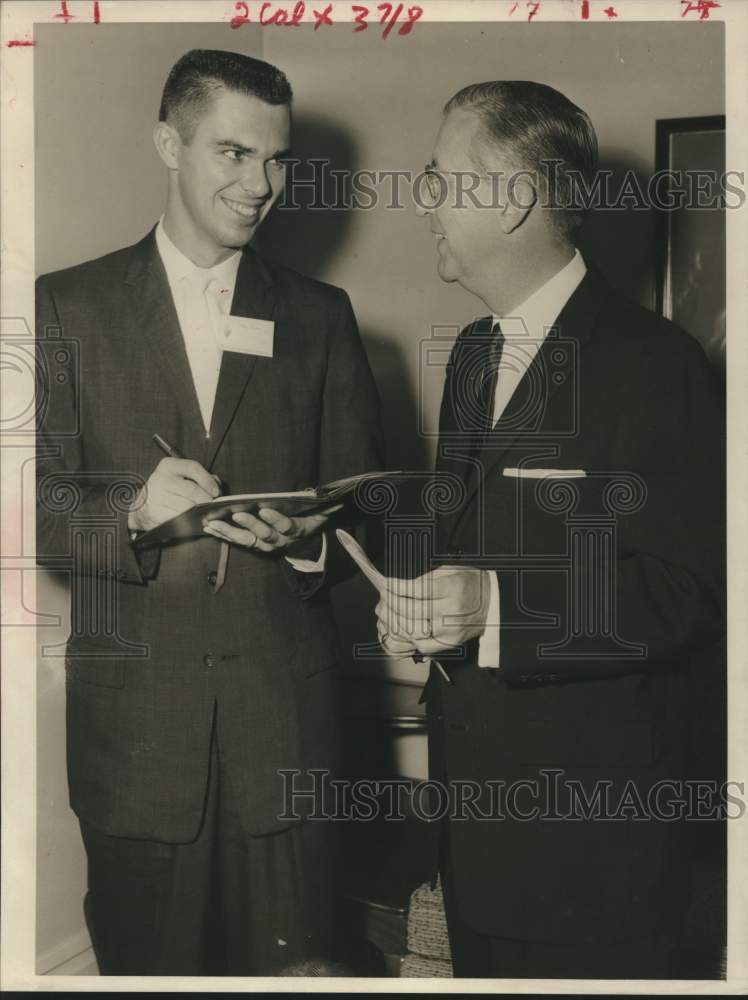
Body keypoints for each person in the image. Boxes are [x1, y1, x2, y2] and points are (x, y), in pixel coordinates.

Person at [36, 49, 382, 976]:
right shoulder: (66, 307)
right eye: (233, 154)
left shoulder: (322, 316)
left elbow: (369, 511)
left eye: (275, 160)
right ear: (167, 144)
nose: (260, 184)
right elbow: (25, 505)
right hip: (138, 743)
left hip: (287, 735)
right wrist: (134, 508)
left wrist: (315, 545)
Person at [373, 82, 725, 978]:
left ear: (516, 199)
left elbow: (686, 593)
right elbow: (464, 539)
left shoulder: (658, 365)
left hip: (594, 855)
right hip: (476, 837)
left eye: (440, 179)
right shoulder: (474, 357)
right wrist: (418, 599)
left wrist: (490, 608)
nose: (424, 204)